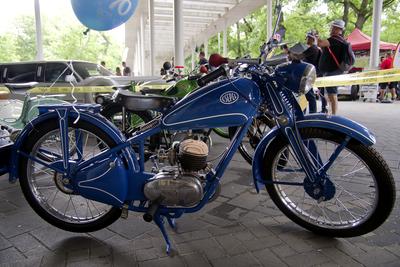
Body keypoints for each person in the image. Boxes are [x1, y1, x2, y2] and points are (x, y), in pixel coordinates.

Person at [318, 19, 349, 115]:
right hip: (333, 70)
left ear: (339, 30)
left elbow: (320, 44)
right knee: (331, 94)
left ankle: (334, 115)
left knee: (332, 94)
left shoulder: (334, 39)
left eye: (334, 28)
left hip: (332, 71)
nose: (332, 29)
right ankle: (332, 112)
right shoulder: (340, 40)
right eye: (332, 27)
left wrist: (316, 37)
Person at [302, 30, 321, 113]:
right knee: (305, 95)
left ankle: (312, 113)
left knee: (309, 95)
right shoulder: (313, 48)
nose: (306, 40)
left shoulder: (313, 49)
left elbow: (300, 56)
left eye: (308, 38)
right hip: (308, 74)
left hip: (308, 74)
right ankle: (305, 111)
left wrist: (289, 53)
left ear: (312, 39)